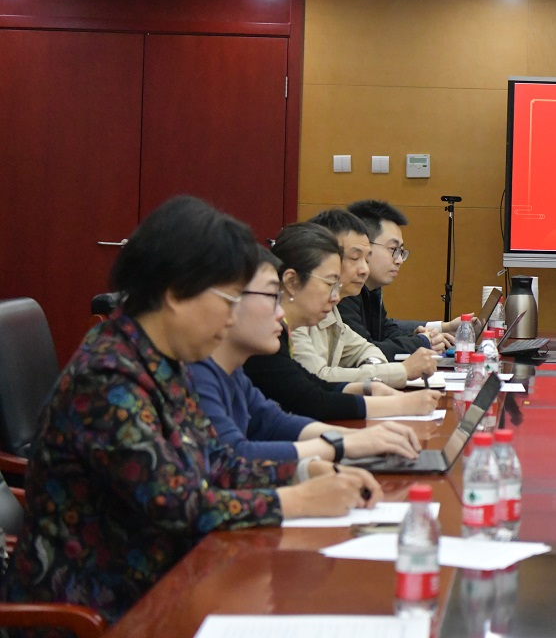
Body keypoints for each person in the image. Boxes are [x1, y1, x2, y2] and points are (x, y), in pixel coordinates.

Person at [2, 196, 382, 623]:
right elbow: (177, 506)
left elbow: (216, 461)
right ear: (176, 294)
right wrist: (296, 500)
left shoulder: (163, 361)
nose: (232, 318)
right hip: (98, 612)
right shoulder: (107, 378)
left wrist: (303, 473)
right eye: (228, 299)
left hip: (167, 584)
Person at [190, 245, 426, 463]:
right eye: (272, 297)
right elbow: (231, 459)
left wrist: (358, 438)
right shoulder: (197, 375)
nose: (280, 313)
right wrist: (342, 445)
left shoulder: (234, 373)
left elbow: (272, 421)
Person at [244, 223, 441, 421]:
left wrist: (368, 386)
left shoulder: (291, 327)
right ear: (291, 282)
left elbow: (311, 386)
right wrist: (398, 402)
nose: (335, 297)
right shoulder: (266, 340)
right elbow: (309, 398)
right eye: (270, 296)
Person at [290, 208, 438, 387]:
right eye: (354, 258)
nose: (364, 270)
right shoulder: (293, 316)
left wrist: (373, 368)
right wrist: (401, 371)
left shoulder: (332, 308)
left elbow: (366, 349)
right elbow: (317, 378)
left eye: (367, 260)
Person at [344, 199, 459, 357]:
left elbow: (385, 331)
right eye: (393, 249)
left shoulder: (371, 288)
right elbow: (364, 353)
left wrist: (422, 338)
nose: (399, 260)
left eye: (401, 251)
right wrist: (421, 342)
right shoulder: (344, 291)